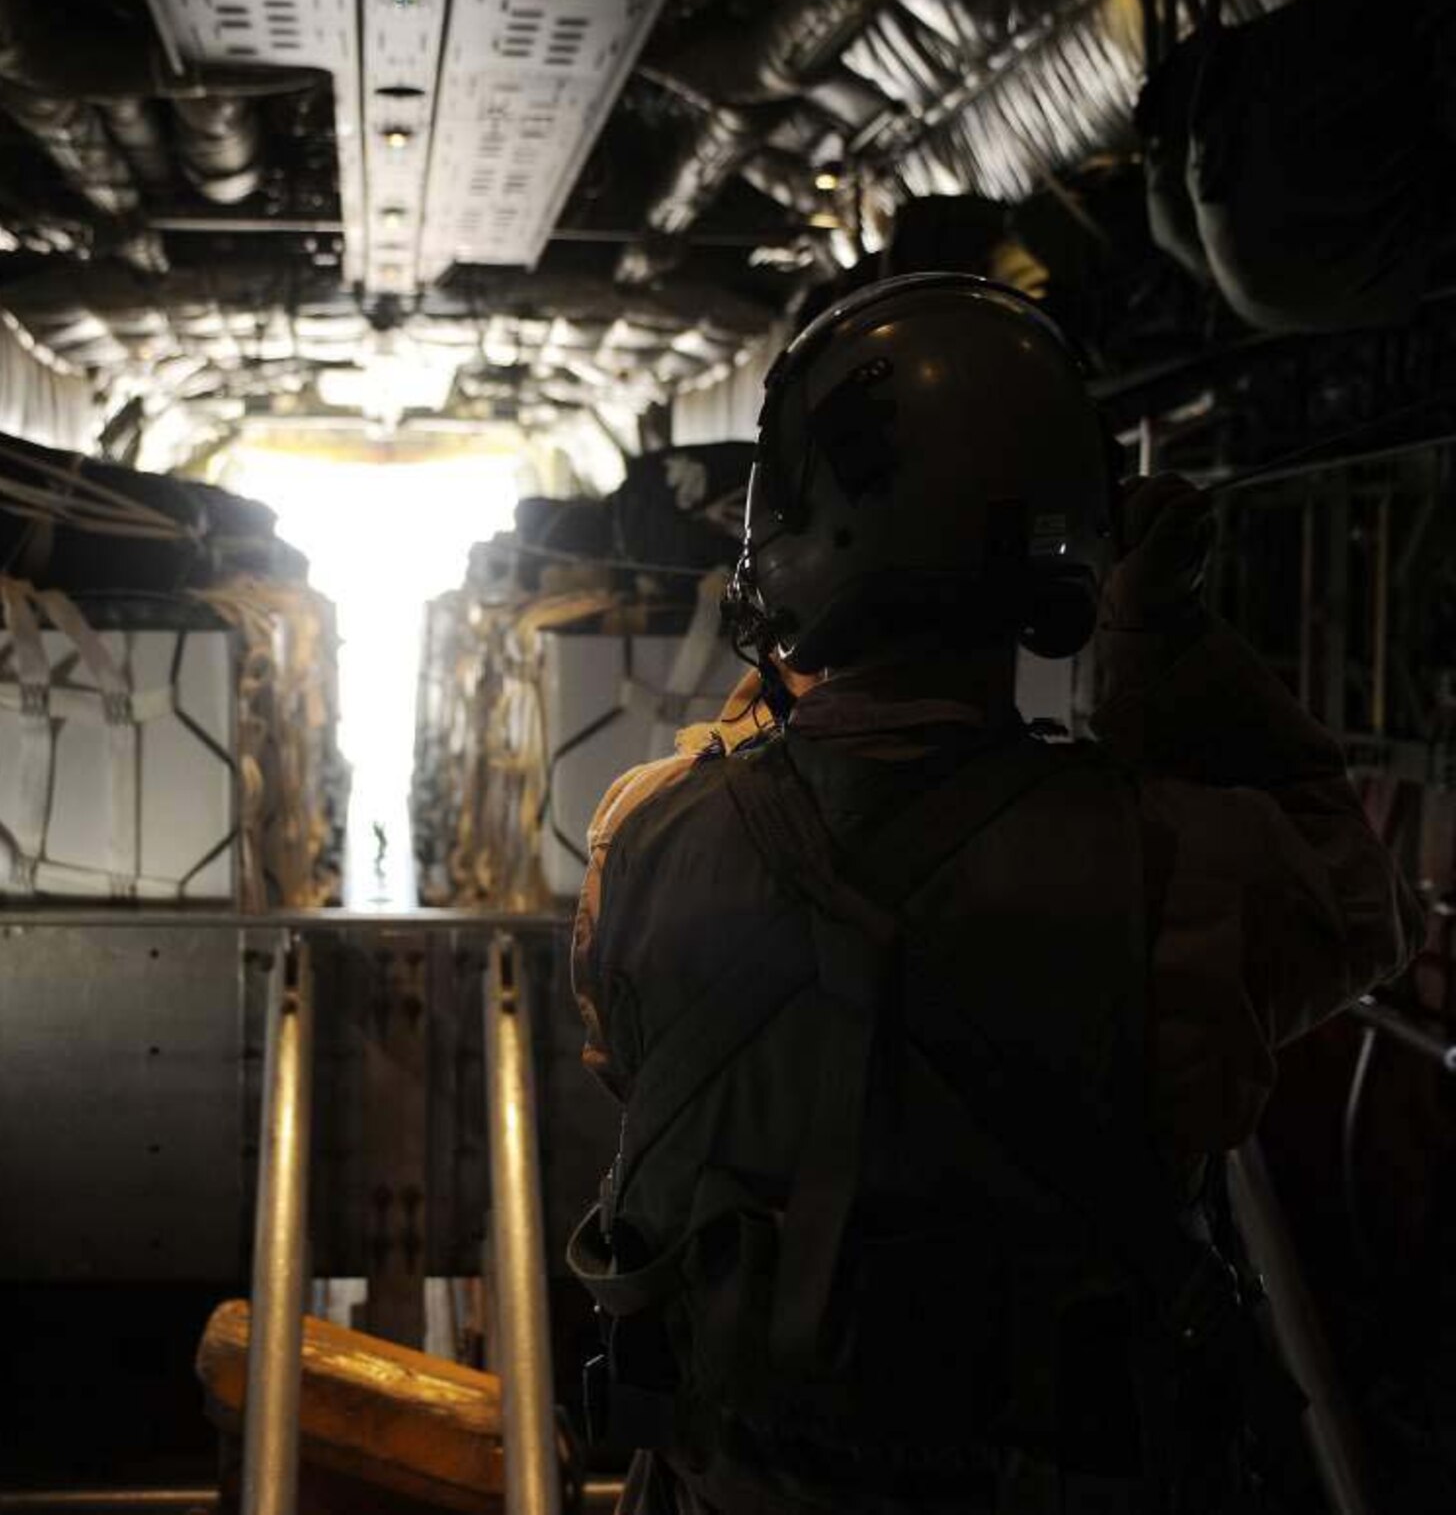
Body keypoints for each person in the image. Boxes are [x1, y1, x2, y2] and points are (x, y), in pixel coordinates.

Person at [566, 274, 1423, 1514]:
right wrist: (1154, 643)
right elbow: (1357, 899)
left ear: (792, 528)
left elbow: (624, 1061)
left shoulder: (643, 829)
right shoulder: (1169, 861)